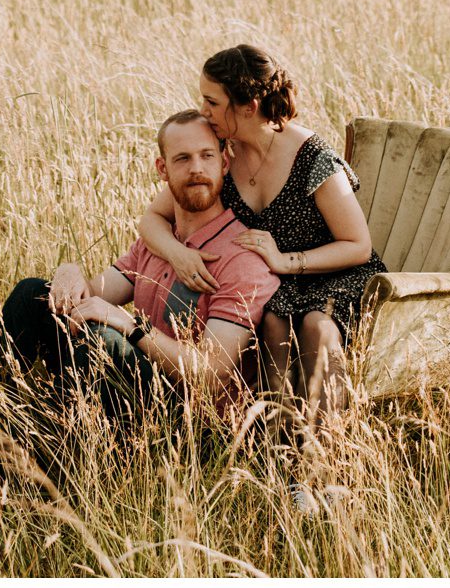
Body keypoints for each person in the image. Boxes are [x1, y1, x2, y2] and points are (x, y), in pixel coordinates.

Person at [0, 109, 279, 422]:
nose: (197, 169)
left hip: (185, 420)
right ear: (162, 168)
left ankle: (39, 451)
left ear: (224, 164)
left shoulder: (242, 256)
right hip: (127, 388)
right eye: (182, 159)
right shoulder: (160, 241)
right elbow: (91, 296)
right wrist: (69, 271)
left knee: (103, 341)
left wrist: (130, 327)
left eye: (207, 156)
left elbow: (210, 373)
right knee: (34, 293)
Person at [137, 45, 386, 427]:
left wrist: (287, 261)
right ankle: (277, 444)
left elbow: (358, 245)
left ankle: (323, 462)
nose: (203, 110)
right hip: (277, 282)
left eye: (212, 101)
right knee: (273, 321)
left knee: (316, 328)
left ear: (248, 107)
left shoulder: (313, 158)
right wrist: (177, 254)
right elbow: (153, 217)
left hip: (336, 273)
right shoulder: (224, 152)